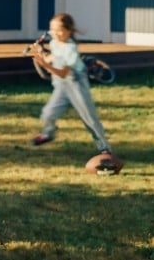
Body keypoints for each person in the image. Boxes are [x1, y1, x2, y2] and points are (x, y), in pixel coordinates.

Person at [30, 13, 114, 158]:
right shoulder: (54, 43)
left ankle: (104, 148)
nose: (55, 33)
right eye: (52, 30)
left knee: (89, 118)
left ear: (69, 31)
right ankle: (48, 134)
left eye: (59, 30)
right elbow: (54, 57)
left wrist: (45, 65)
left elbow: (63, 73)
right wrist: (44, 57)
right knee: (48, 113)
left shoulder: (71, 49)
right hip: (61, 87)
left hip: (76, 84)